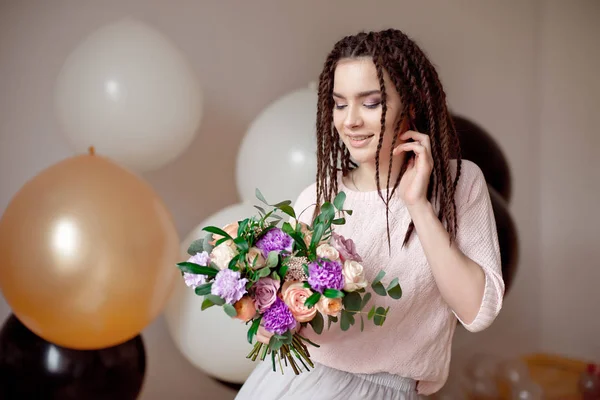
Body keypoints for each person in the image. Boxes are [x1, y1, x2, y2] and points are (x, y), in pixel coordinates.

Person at [235, 28, 504, 399]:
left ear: (411, 105)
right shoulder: (317, 198)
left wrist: (418, 206)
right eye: (339, 103)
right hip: (294, 385)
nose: (350, 121)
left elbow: (478, 311)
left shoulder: (459, 184)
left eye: (371, 102)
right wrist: (273, 322)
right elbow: (295, 316)